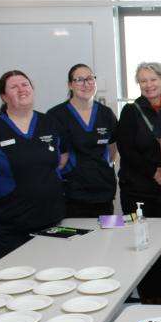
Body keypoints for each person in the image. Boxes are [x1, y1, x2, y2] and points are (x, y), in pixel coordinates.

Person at [0, 71, 67, 263]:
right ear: (4, 96)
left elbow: (62, 158)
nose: (21, 89)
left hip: (51, 221)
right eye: (14, 86)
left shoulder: (50, 123)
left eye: (25, 84)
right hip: (10, 228)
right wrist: (5, 180)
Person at [117, 62, 161, 304]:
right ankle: (149, 300)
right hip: (138, 189)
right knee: (142, 246)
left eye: (153, 79)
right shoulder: (131, 111)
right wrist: (155, 172)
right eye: (143, 81)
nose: (148, 85)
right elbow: (126, 150)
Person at [47, 64, 118, 218]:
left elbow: (112, 151)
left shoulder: (106, 114)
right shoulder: (55, 116)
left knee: (107, 239)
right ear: (70, 85)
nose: (86, 84)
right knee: (75, 239)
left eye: (90, 78)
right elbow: (53, 158)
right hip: (71, 194)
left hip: (103, 192)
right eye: (79, 80)